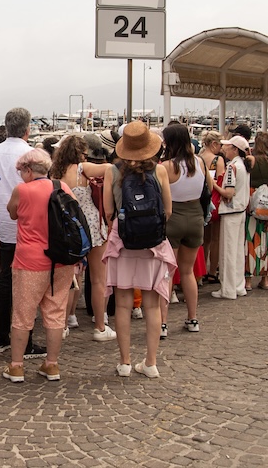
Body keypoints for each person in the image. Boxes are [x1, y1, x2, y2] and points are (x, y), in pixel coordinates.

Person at [103, 121, 174, 377]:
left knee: (122, 305)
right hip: (153, 246)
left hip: (122, 243)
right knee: (152, 306)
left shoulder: (113, 171)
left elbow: (109, 212)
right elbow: (168, 211)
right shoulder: (161, 171)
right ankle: (151, 363)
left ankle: (124, 362)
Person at [2, 149, 77, 383]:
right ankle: (52, 365)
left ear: (27, 169)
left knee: (23, 314)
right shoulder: (62, 187)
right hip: (61, 260)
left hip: (30, 261)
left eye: (20, 171)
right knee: (55, 312)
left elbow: (12, 213)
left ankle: (16, 367)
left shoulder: (22, 190)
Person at [0, 107, 45, 359]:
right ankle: (26, 341)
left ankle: (0, 337)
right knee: (26, 287)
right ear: (27, 129)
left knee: (4, 282)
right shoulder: (32, 155)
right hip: (27, 228)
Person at [49, 134, 114, 341]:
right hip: (92, 228)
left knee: (67, 280)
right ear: (80, 154)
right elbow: (110, 168)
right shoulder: (82, 169)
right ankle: (100, 326)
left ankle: (63, 323)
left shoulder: (54, 174)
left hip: (68, 229)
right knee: (98, 280)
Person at [158, 123, 205, 333]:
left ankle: (162, 323)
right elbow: (207, 188)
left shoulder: (167, 166)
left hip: (173, 217)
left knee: (167, 272)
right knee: (188, 272)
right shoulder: (200, 163)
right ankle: (192, 318)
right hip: (195, 217)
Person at [212, 136, 250, 300]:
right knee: (237, 251)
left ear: (235, 149)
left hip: (230, 212)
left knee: (228, 251)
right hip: (240, 211)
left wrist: (213, 183)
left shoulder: (232, 167)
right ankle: (238, 285)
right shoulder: (243, 167)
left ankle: (227, 289)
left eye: (228, 147)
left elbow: (228, 193)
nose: (224, 149)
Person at [245, 131, 268, 290]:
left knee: (251, 239)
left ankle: (248, 280)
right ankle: (265, 279)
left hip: (254, 199)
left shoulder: (251, 160)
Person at [198, 131, 226, 285]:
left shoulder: (199, 158)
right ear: (214, 144)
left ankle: (200, 272)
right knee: (215, 239)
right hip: (215, 201)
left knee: (204, 240)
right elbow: (220, 181)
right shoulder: (218, 160)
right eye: (220, 144)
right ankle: (212, 271)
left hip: (202, 202)